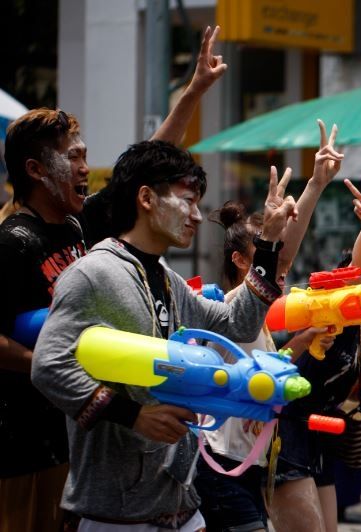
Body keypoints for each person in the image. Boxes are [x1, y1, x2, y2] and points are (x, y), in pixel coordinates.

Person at [0, 27, 227, 532]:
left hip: (78, 433)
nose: (85, 167)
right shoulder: (12, 241)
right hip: (17, 441)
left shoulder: (82, 224)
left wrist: (193, 92)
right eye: (74, 157)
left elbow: (146, 165)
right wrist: (62, 358)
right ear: (36, 169)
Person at [30, 141, 296, 530]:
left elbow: (237, 324)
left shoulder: (168, 280)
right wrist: (134, 415)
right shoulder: (94, 273)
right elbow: (48, 364)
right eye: (187, 200)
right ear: (146, 198)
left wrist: (268, 244)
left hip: (181, 506)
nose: (197, 215)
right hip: (116, 514)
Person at [195, 119, 343, 532]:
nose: (280, 266)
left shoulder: (257, 317)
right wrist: (313, 188)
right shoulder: (228, 312)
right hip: (222, 464)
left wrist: (315, 184)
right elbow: (279, 259)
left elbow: (260, 369)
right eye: (263, 254)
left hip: (252, 462)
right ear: (242, 261)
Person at [266, 174, 361, 532]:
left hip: (318, 436)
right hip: (287, 433)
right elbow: (356, 275)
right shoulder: (339, 306)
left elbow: (328, 379)